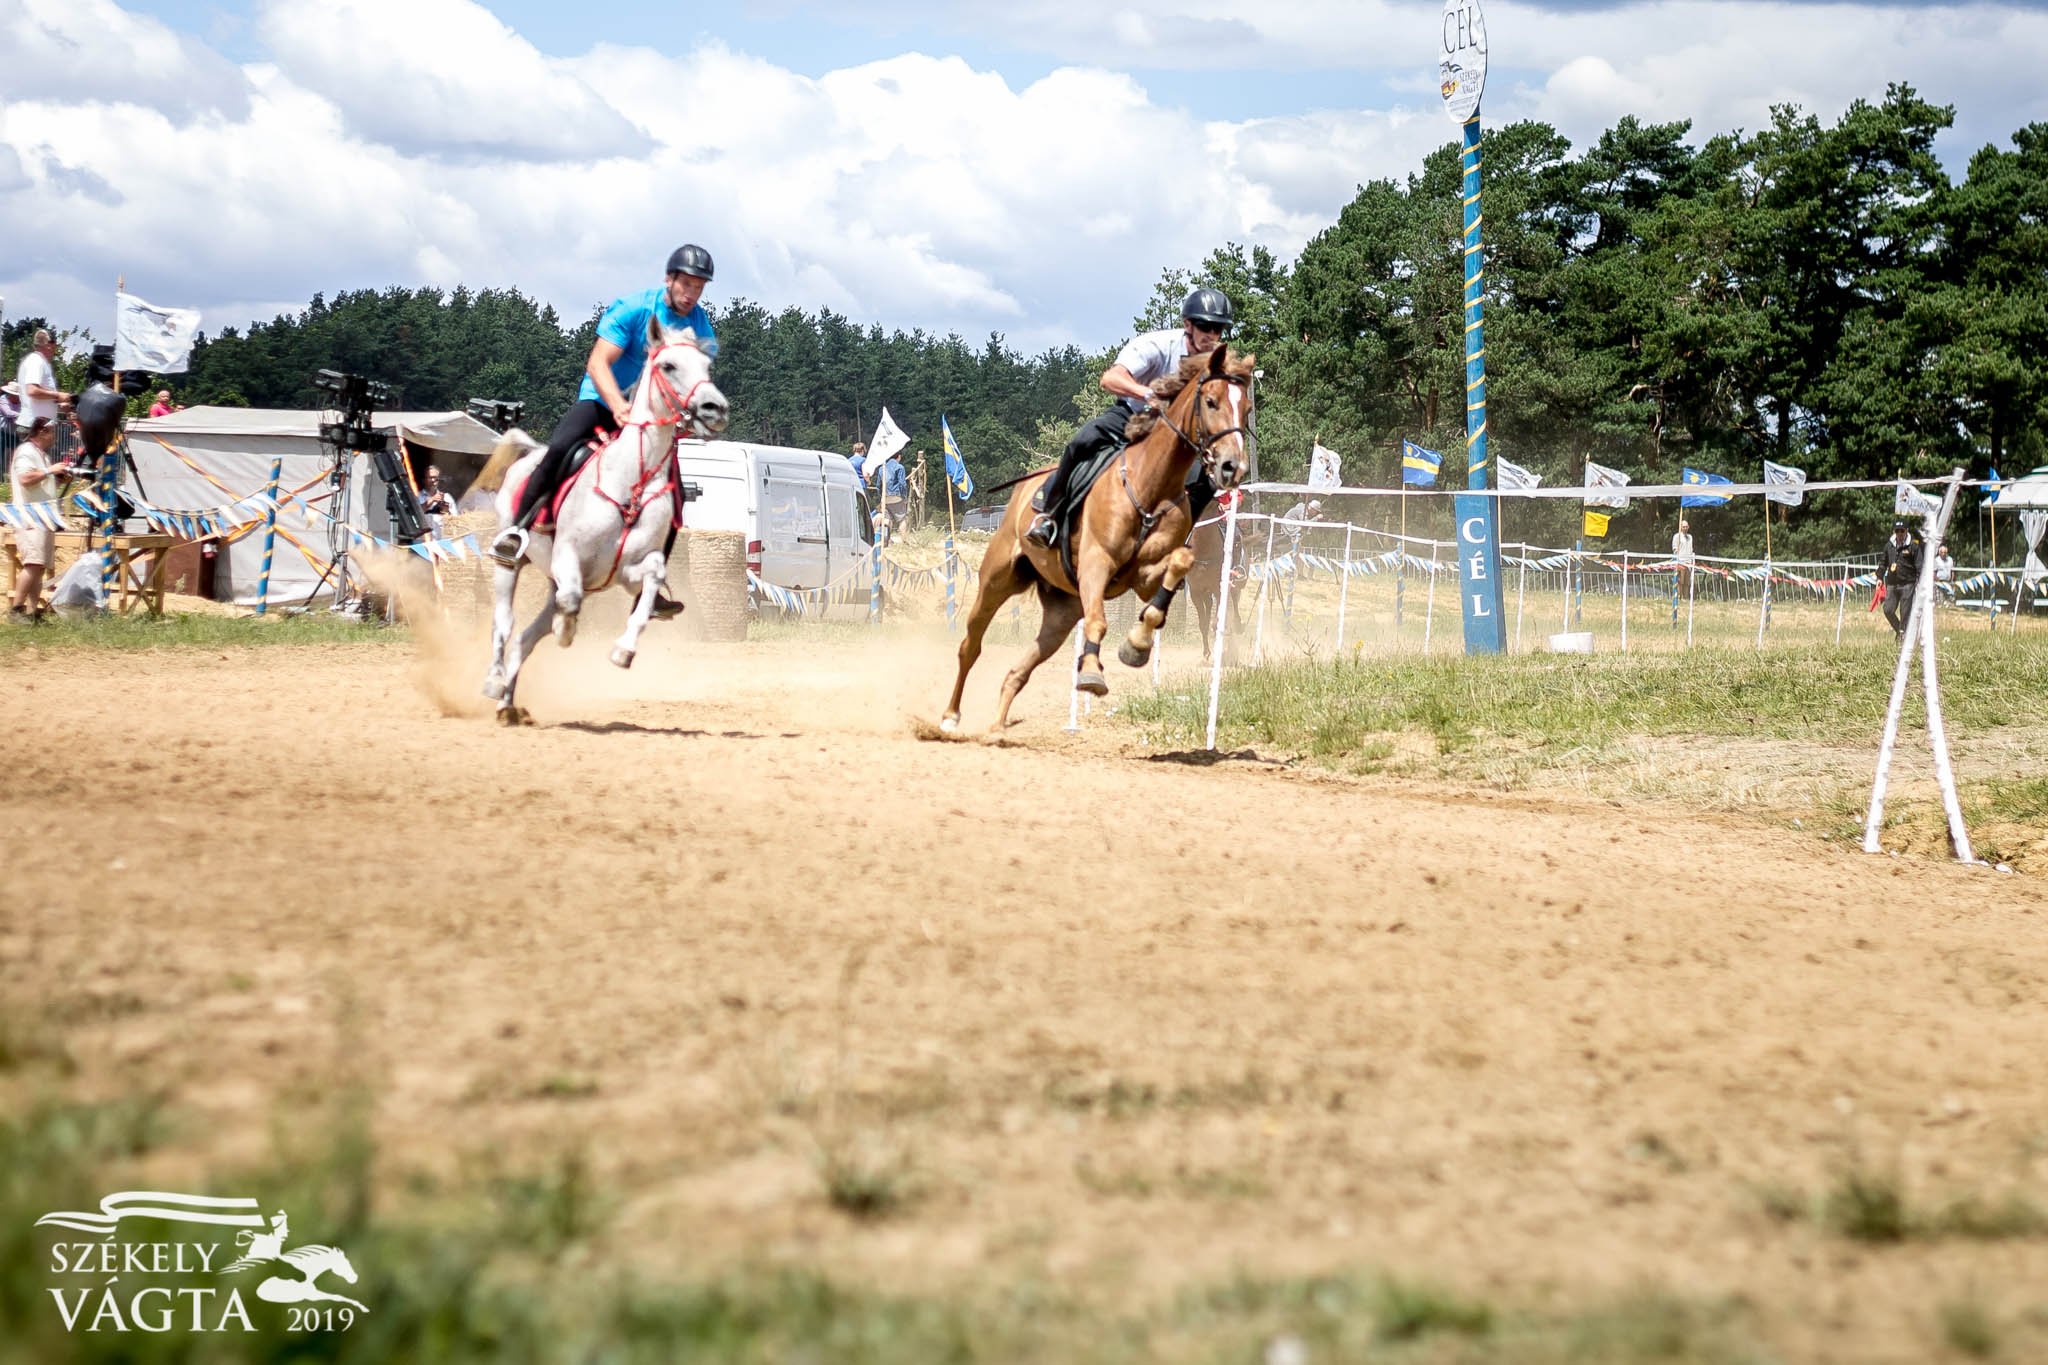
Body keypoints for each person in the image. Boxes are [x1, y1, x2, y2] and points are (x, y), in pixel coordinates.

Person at [491, 244, 719, 622]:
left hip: (648, 419)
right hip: (601, 402)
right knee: (559, 448)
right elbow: (598, 362)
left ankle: (649, 591)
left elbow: (690, 380)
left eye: (699, 287)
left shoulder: (699, 325)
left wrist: (687, 416)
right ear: (669, 279)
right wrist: (617, 405)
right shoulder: (632, 309)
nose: (692, 294)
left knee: (673, 492)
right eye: (687, 284)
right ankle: (515, 532)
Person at [1025, 287, 1234, 549]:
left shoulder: (1215, 363)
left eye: (1218, 329)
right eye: (1205, 326)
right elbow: (1110, 379)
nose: (1211, 335)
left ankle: (1175, 541)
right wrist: (1147, 394)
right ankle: (1049, 514)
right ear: (1188, 325)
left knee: (1208, 481)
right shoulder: (1157, 346)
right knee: (1084, 440)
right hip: (1134, 414)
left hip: (1175, 434)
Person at [9, 418, 75, 621]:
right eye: (52, 431)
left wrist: (58, 478)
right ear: (41, 432)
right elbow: (24, 479)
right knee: (32, 563)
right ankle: (16, 609)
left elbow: (40, 483)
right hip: (30, 516)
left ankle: (32, 612)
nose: (54, 436)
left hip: (43, 516)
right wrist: (49, 471)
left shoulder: (42, 455)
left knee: (39, 566)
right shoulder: (26, 452)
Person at [15, 330, 71, 435]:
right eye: (54, 345)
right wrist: (58, 395)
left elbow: (38, 397)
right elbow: (32, 391)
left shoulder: (38, 361)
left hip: (36, 425)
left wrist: (58, 403)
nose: (55, 349)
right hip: (34, 427)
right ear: (49, 345)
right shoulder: (36, 361)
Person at [1880, 519, 1922, 638]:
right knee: (1888, 610)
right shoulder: (1889, 545)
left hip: (1908, 584)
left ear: (1906, 531)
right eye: (1897, 531)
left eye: (1902, 531)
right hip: (1892, 583)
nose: (1899, 533)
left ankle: (1903, 638)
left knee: (1905, 613)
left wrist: (1919, 582)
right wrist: (1879, 577)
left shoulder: (1913, 545)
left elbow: (1919, 565)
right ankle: (1900, 631)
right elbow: (1883, 562)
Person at [881, 448, 909, 542]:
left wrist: (881, 496)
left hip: (885, 497)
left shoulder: (882, 468)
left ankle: (886, 540)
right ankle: (904, 540)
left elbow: (878, 485)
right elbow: (902, 484)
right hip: (897, 497)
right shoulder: (900, 467)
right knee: (902, 519)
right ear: (899, 457)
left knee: (887, 520)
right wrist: (904, 497)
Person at [419, 465, 456, 536]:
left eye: (435, 478)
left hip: (442, 539)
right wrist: (432, 500)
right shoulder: (417, 496)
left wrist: (446, 510)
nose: (433, 480)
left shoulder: (447, 497)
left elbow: (454, 519)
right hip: (423, 539)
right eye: (430, 478)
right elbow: (415, 514)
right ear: (423, 480)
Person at [1671, 518, 1695, 598]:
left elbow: (1691, 549)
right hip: (1680, 561)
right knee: (1680, 581)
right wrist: (1676, 552)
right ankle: (1679, 596)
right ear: (1680, 527)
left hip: (1688, 562)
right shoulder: (1677, 536)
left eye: (1686, 526)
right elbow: (1674, 548)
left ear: (1688, 527)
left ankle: (1685, 597)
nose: (1685, 528)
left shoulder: (1690, 537)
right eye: (1683, 527)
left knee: (1687, 582)